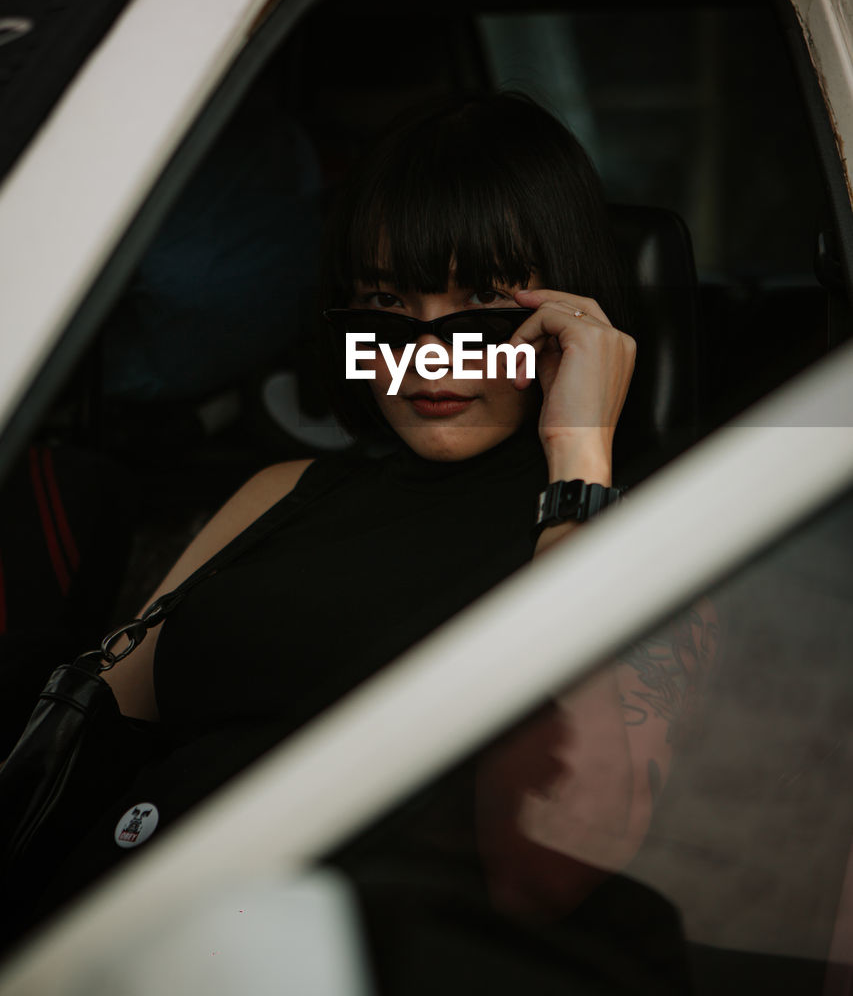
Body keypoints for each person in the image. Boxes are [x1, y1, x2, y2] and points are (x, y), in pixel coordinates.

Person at [30, 93, 716, 980]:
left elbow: (574, 838)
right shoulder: (284, 491)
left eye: (482, 302)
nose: (427, 350)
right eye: (386, 303)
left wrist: (576, 460)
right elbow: (85, 733)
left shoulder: (650, 524)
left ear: (569, 310)